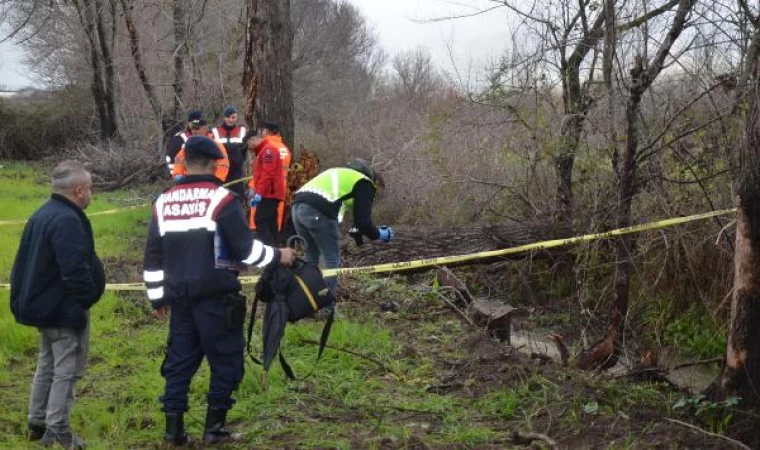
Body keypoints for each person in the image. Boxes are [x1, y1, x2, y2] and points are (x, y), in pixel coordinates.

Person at [143, 136, 296, 446]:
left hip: (179, 301)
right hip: (217, 300)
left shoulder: (163, 202)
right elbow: (246, 251)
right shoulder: (221, 201)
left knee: (179, 364)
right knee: (226, 361)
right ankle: (214, 430)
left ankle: (173, 433)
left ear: (184, 163)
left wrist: (157, 296)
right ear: (216, 165)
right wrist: (280, 255)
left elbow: (153, 258)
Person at [10, 161, 105, 450]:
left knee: (47, 364)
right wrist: (86, 299)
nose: (91, 193)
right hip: (62, 311)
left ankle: (36, 423)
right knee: (67, 370)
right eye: (89, 188)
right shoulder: (66, 220)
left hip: (43, 307)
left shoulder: (43, 214)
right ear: (78, 190)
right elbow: (74, 269)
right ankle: (58, 430)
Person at [291, 158, 393, 294]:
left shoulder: (340, 176)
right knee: (331, 259)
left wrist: (358, 239)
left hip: (297, 209)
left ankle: (305, 298)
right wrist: (380, 234)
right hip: (317, 211)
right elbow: (364, 223)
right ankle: (326, 306)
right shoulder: (365, 182)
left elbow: (355, 222)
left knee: (311, 256)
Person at [246, 122, 292, 238]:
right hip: (280, 188)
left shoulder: (268, 147)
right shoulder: (285, 149)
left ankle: (267, 247)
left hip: (266, 190)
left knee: (259, 220)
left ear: (266, 132)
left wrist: (255, 190)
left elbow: (266, 173)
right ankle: (275, 246)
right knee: (273, 222)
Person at [171, 118, 229, 183]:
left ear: (205, 128)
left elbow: (223, 165)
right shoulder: (188, 145)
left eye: (197, 129)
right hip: (189, 184)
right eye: (192, 129)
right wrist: (177, 176)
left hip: (209, 184)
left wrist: (216, 181)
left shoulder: (217, 146)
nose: (194, 131)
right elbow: (179, 161)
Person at [211, 106, 247, 198]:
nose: (231, 120)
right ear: (224, 117)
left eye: (233, 117)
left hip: (237, 173)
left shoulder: (241, 131)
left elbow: (245, 148)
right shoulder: (215, 131)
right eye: (229, 117)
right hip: (220, 171)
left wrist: (240, 159)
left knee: (237, 198)